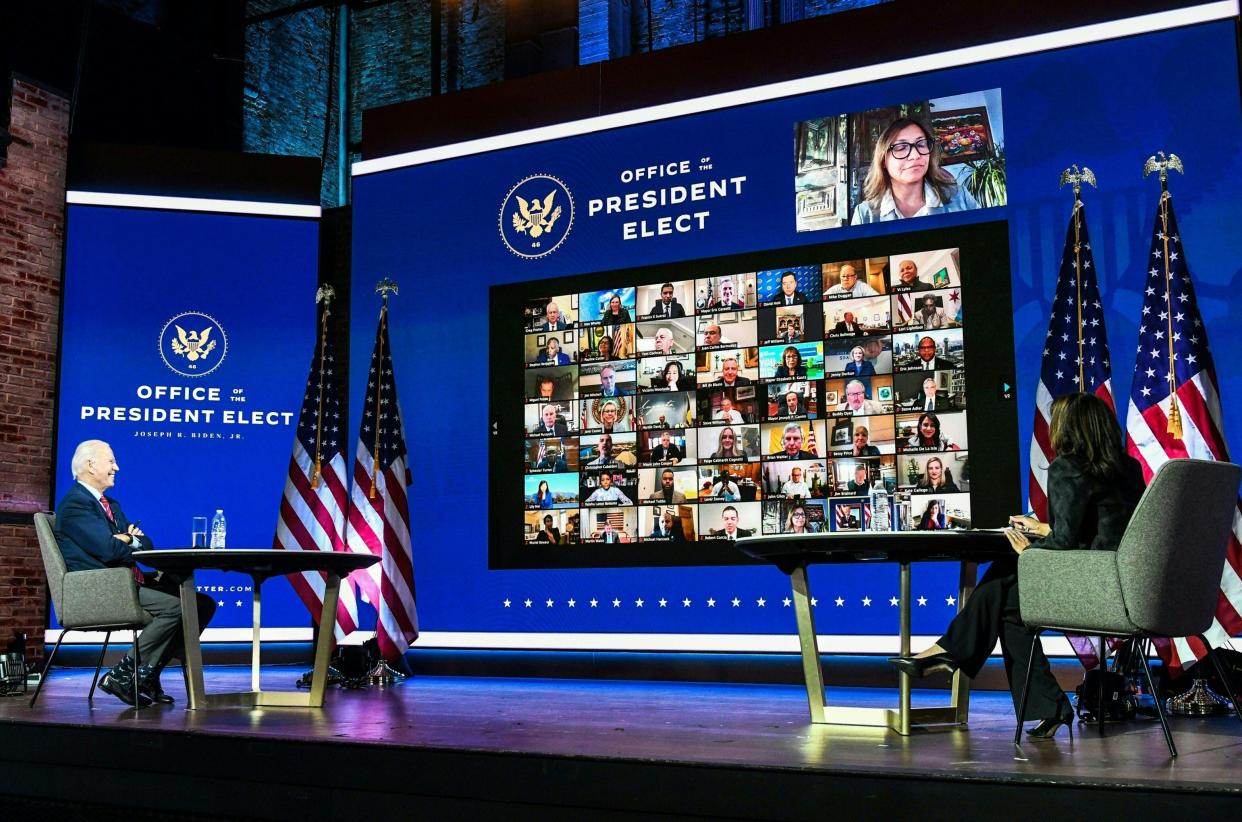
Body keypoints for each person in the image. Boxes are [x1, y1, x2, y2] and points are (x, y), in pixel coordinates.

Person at [890, 393, 1145, 738]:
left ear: (1069, 428)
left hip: (1091, 589)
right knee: (1010, 605)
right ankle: (1045, 705)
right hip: (1120, 584)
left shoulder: (1068, 466)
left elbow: (1065, 545)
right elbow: (1103, 531)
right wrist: (1042, 530)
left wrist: (1031, 552)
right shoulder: (1126, 468)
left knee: (1007, 569)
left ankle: (952, 650)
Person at [54, 440, 216, 706]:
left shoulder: (111, 504)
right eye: (110, 461)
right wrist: (127, 540)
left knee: (201, 604)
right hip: (102, 588)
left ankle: (147, 676)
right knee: (176, 608)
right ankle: (122, 674)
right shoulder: (76, 505)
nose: (116, 467)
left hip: (125, 582)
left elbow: (146, 544)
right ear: (90, 465)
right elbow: (108, 550)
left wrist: (127, 539)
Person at [850, 117, 979, 224]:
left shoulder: (960, 197)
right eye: (901, 147)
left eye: (921, 144)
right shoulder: (864, 216)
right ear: (883, 160)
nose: (915, 155)